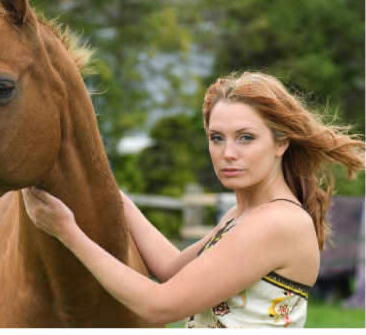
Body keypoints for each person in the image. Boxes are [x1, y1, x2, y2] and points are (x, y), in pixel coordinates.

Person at [22, 72, 366, 328]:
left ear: (281, 143)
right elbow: (171, 270)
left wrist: (68, 233)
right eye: (217, 138)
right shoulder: (242, 214)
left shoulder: (277, 223)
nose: (227, 153)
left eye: (246, 138)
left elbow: (159, 305)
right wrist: (111, 193)